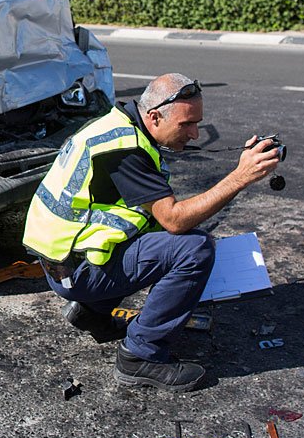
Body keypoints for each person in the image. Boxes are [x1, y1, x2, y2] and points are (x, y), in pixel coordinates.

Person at [23, 73, 280, 392]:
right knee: (195, 248)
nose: (196, 134)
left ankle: (94, 313)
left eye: (197, 123)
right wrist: (239, 177)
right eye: (187, 124)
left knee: (160, 235)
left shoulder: (116, 126)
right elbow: (173, 220)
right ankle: (140, 357)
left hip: (62, 262)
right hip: (76, 271)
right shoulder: (126, 149)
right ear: (155, 116)